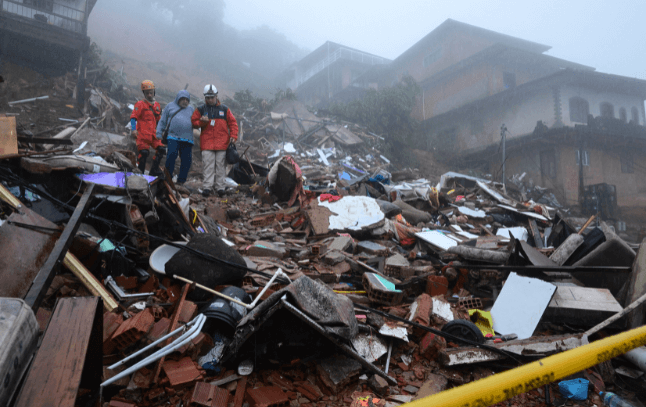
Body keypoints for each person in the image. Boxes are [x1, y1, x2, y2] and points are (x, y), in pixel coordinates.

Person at [191, 84, 238, 197]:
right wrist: (202, 122)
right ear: (205, 98)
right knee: (208, 166)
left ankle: (220, 187)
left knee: (221, 166)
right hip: (207, 143)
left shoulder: (224, 109)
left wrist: (234, 135)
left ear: (216, 96)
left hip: (222, 143)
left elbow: (233, 123)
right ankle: (207, 187)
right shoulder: (201, 109)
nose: (210, 99)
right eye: (208, 97)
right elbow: (193, 121)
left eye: (212, 97)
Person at [156, 90, 195, 185]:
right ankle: (168, 178)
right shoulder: (170, 106)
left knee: (187, 160)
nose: (185, 101)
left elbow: (196, 122)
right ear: (178, 98)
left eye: (187, 99)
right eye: (183, 99)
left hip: (187, 139)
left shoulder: (191, 109)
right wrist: (158, 132)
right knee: (171, 156)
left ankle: (181, 180)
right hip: (173, 137)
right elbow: (163, 120)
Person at [130, 80, 164, 174]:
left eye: (151, 92)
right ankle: (140, 172)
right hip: (142, 135)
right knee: (144, 153)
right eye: (147, 93)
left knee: (161, 149)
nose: (149, 95)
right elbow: (133, 117)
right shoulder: (140, 104)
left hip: (153, 135)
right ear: (144, 93)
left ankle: (154, 170)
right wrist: (134, 129)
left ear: (154, 92)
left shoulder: (157, 106)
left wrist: (162, 131)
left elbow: (159, 120)